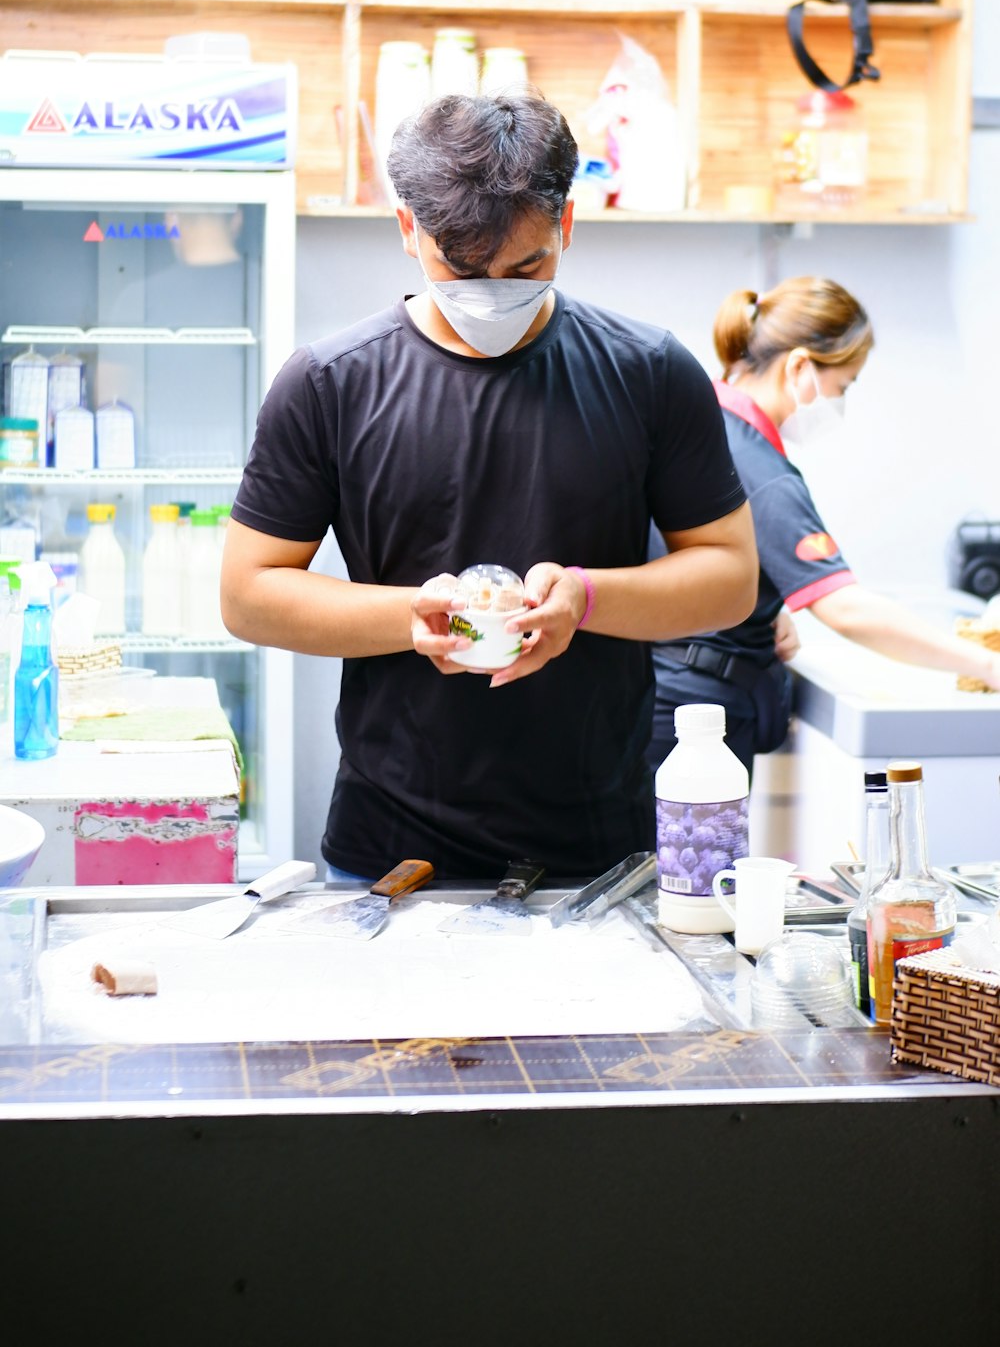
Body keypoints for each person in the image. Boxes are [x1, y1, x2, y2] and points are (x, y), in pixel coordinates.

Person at [221, 93, 758, 880]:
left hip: (597, 857)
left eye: (527, 266)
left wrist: (586, 597)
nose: (491, 291)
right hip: (391, 854)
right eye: (460, 268)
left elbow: (730, 577)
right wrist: (410, 617)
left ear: (566, 226)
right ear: (408, 229)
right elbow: (247, 593)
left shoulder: (649, 372)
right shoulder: (330, 383)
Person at [644, 274, 1000, 783]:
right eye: (842, 387)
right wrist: (985, 664)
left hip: (656, 697)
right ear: (798, 367)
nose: (841, 404)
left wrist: (757, 603)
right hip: (695, 710)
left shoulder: (697, 422)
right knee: (696, 860)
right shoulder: (758, 468)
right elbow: (845, 608)